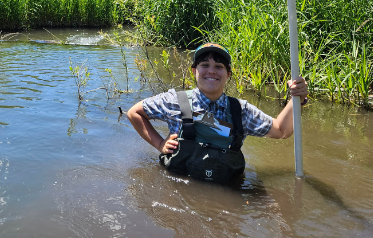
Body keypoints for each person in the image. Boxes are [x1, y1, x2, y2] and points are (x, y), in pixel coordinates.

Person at [126, 42, 310, 164]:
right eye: (205, 65)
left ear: (228, 74)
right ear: (194, 71)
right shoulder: (174, 101)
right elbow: (134, 113)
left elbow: (281, 130)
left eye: (219, 67)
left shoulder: (241, 111)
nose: (211, 71)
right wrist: (159, 144)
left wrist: (297, 99)